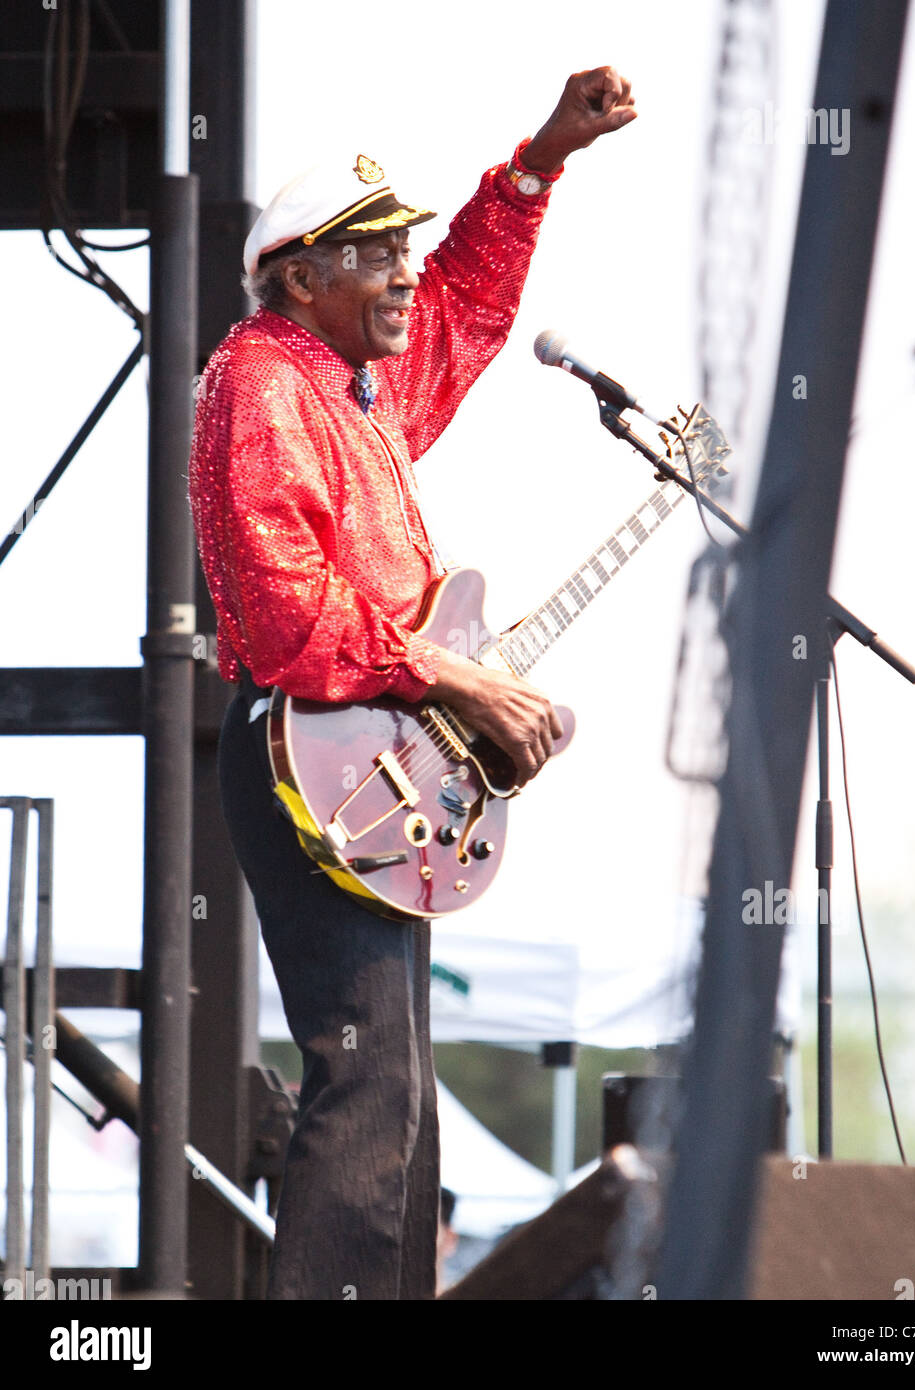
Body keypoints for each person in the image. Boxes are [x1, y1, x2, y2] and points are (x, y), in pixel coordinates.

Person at [188, 66, 637, 1301]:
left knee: (401, 1092)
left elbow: (467, 303)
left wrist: (541, 160)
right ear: (299, 278)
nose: (403, 274)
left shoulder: (358, 386)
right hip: (308, 750)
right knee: (366, 1076)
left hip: (370, 755)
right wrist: (451, 677)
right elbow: (285, 615)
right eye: (375, 254)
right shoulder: (263, 377)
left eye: (403, 249)